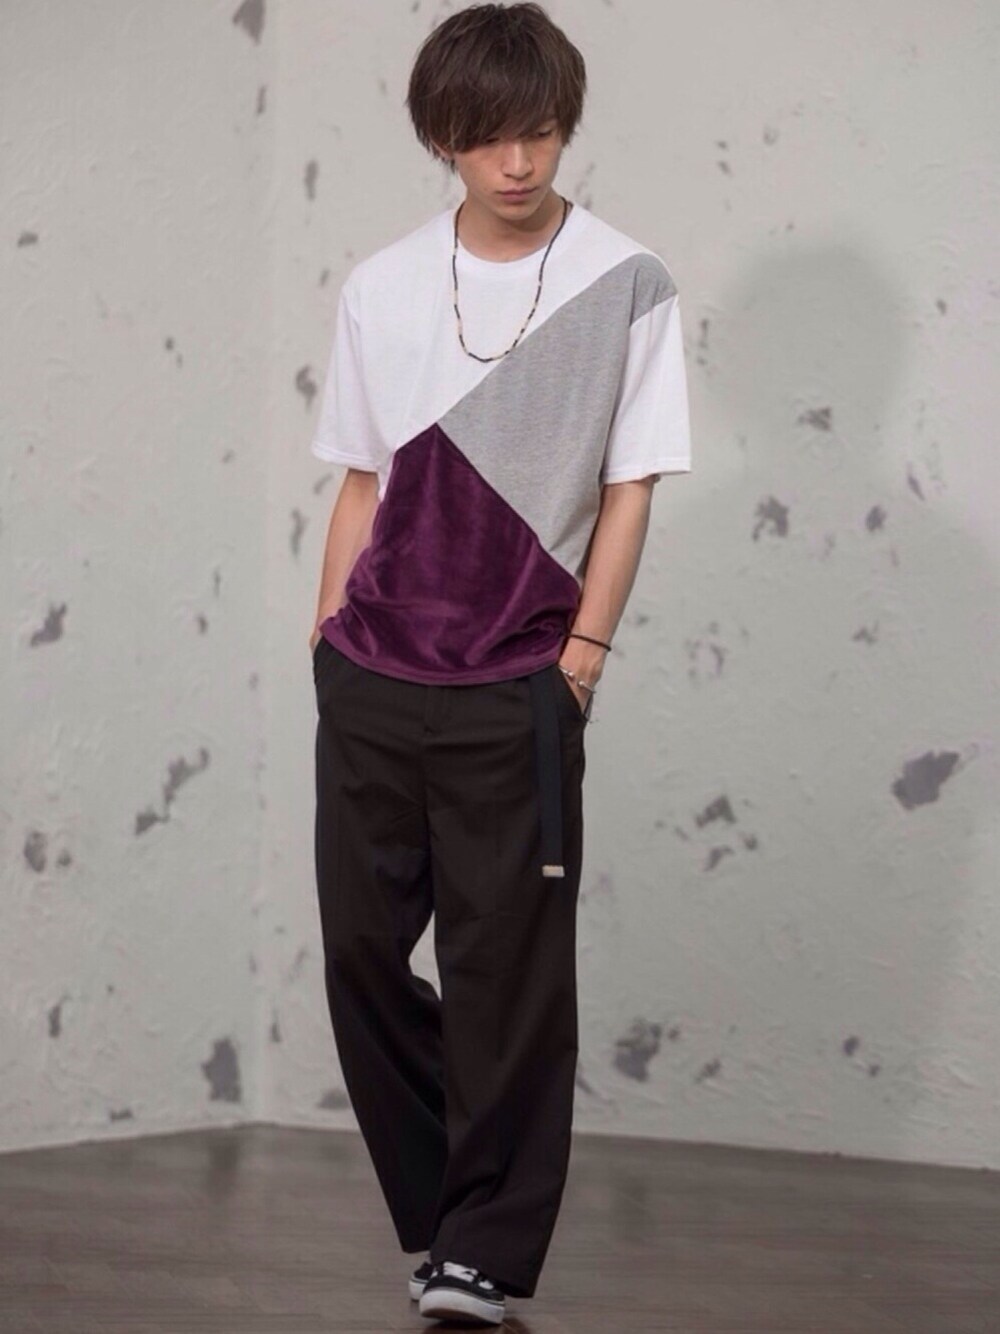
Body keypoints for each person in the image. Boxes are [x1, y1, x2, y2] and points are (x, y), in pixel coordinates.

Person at [308, 2, 692, 1324]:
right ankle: (444, 1210)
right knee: (362, 955)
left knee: (507, 979)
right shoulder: (382, 285)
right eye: (487, 138)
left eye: (538, 132)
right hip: (372, 674)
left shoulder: (626, 279)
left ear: (564, 126)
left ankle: (483, 1246)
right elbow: (362, 478)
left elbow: (632, 486)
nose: (517, 163)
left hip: (518, 683)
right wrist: (324, 637)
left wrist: (582, 658)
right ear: (444, 141)